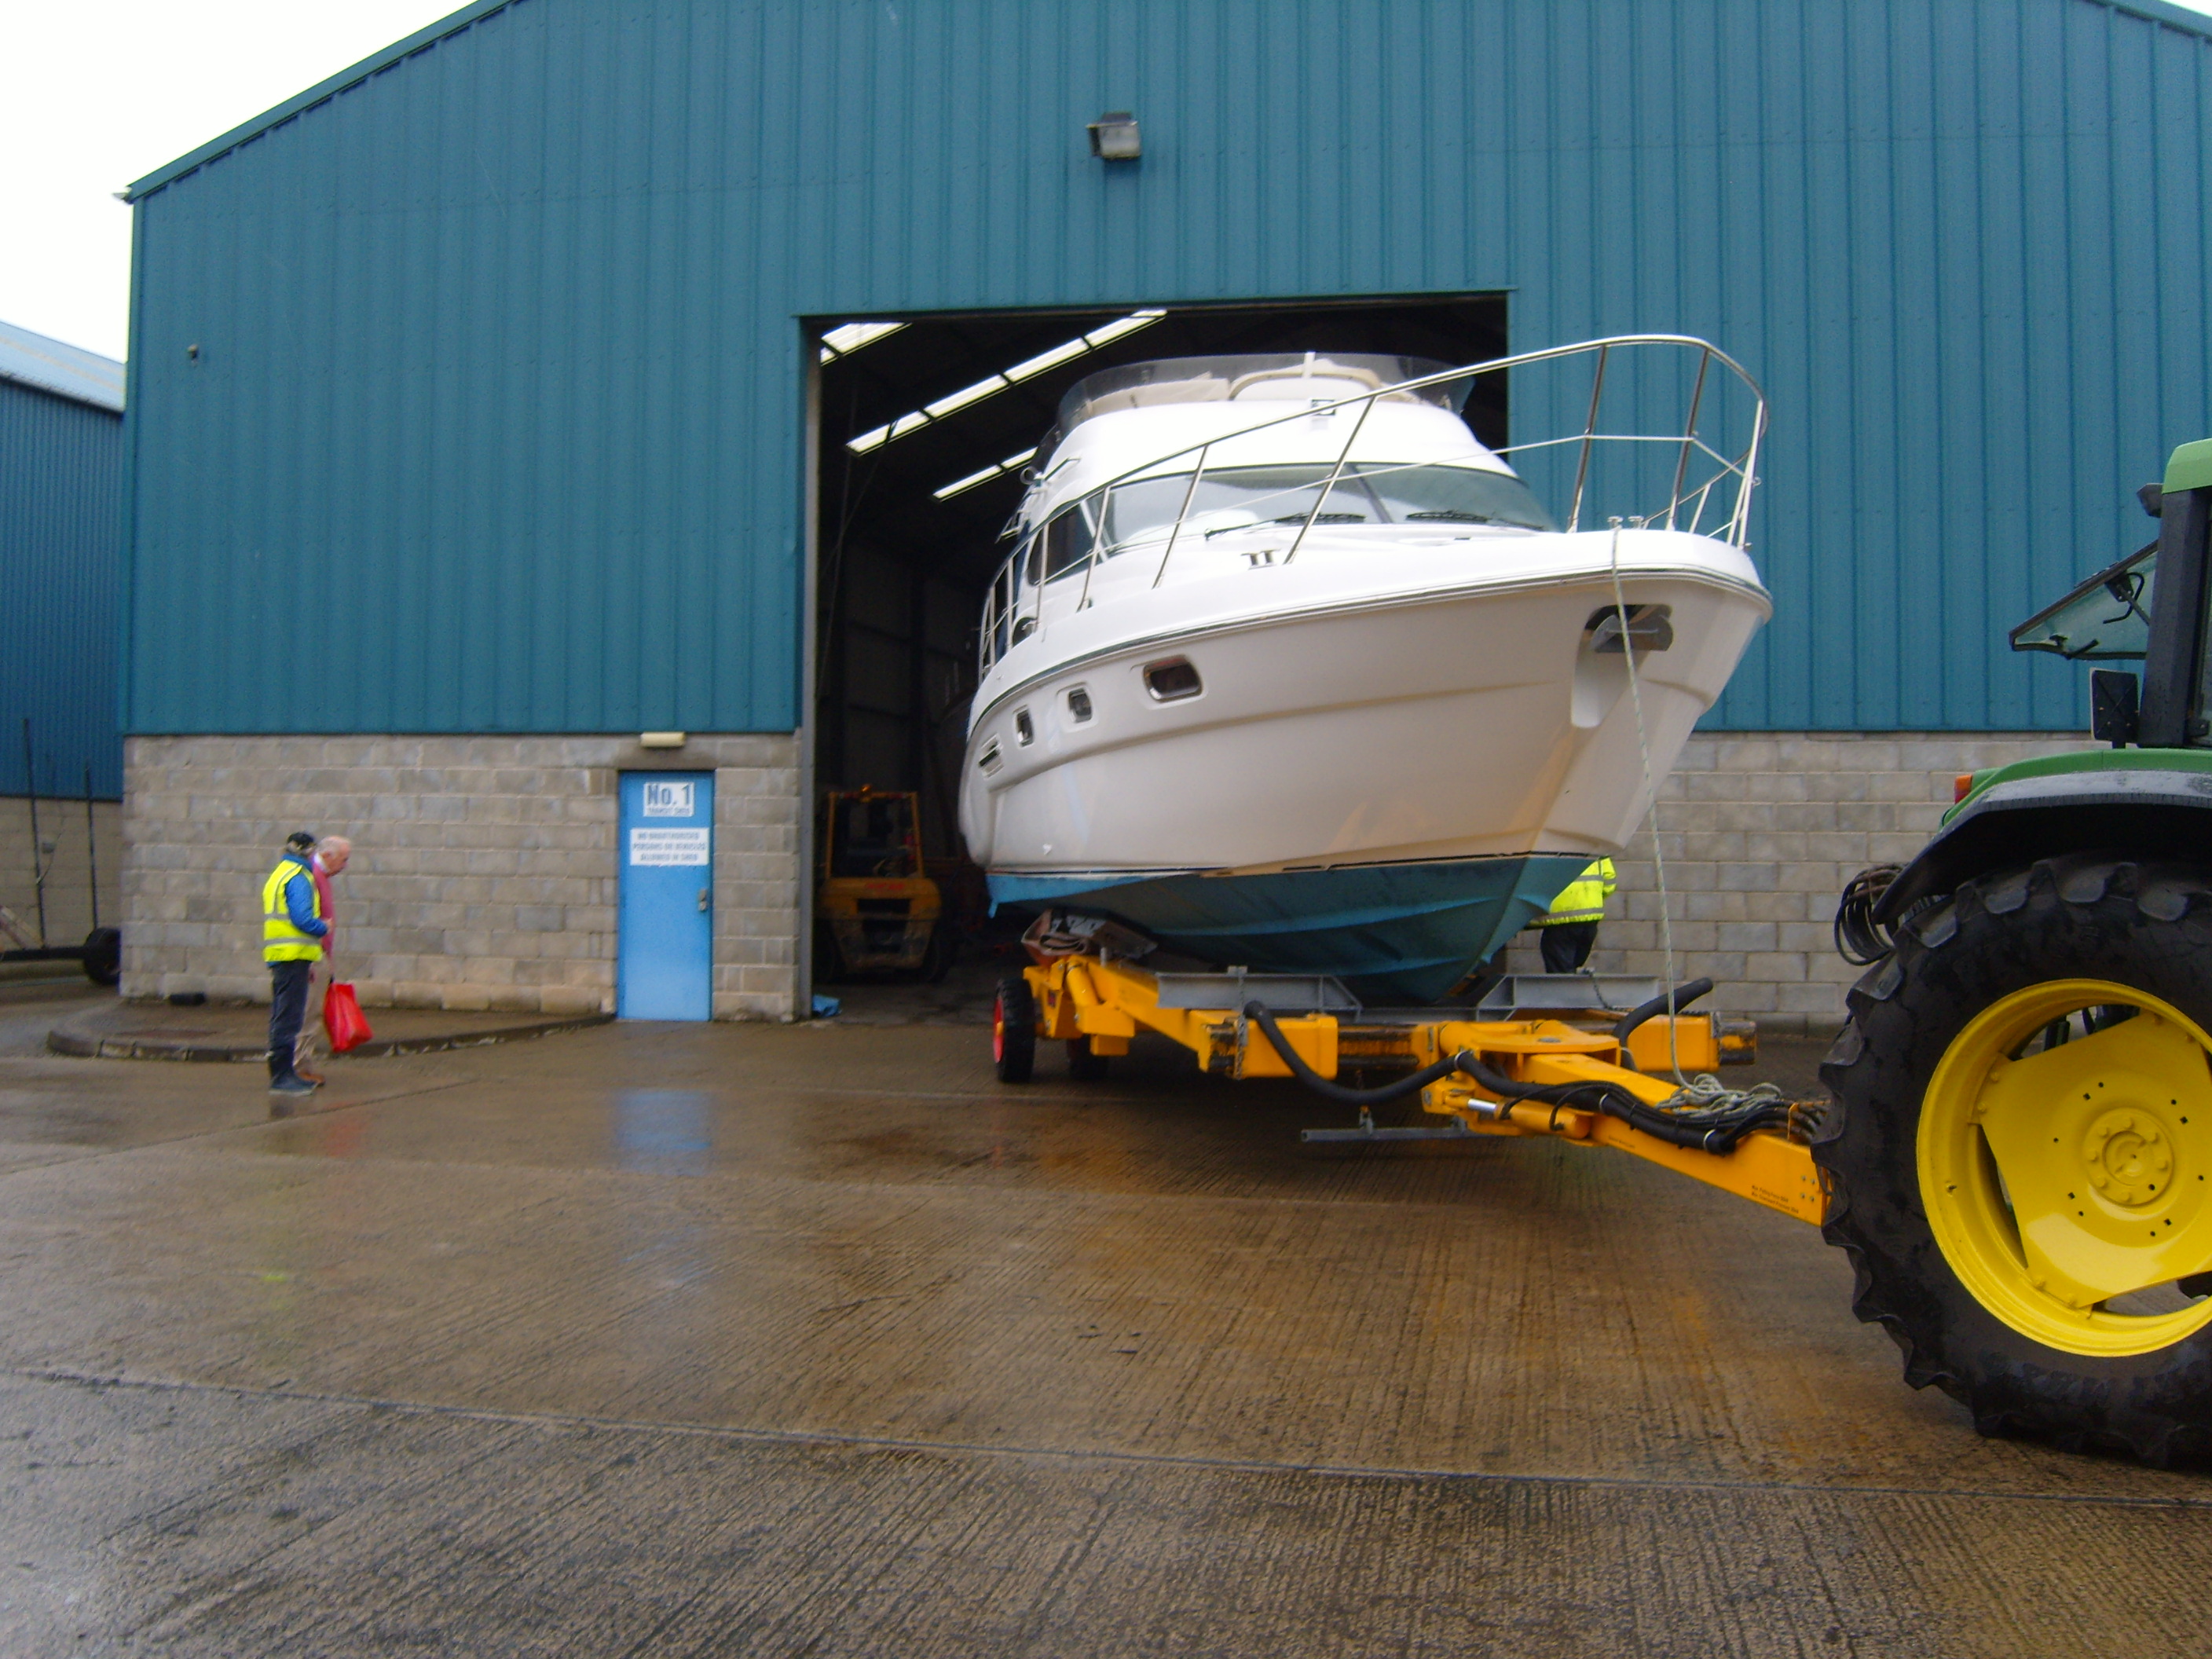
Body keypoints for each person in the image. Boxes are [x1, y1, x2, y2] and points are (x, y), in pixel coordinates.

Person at [261, 831, 331, 1096]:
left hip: (280, 955)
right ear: (307, 852)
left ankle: (282, 1073)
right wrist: (322, 926)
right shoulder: (299, 878)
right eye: (313, 852)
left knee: (282, 1015)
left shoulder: (279, 873)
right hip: (294, 955)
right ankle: (282, 1077)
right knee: (289, 1018)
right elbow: (302, 919)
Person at [292, 836, 352, 1086]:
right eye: (343, 859)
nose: (345, 865)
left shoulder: (320, 877)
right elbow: (307, 919)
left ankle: (301, 1066)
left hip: (318, 956)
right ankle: (299, 1068)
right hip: (311, 957)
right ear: (327, 855)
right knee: (309, 1014)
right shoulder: (313, 876)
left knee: (313, 1013)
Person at [1533, 858, 1616, 973]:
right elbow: (1609, 885)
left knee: (1560, 974)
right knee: (1573, 969)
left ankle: (1564, 990)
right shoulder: (1600, 846)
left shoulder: (1548, 845)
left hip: (1560, 922)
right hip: (1589, 922)